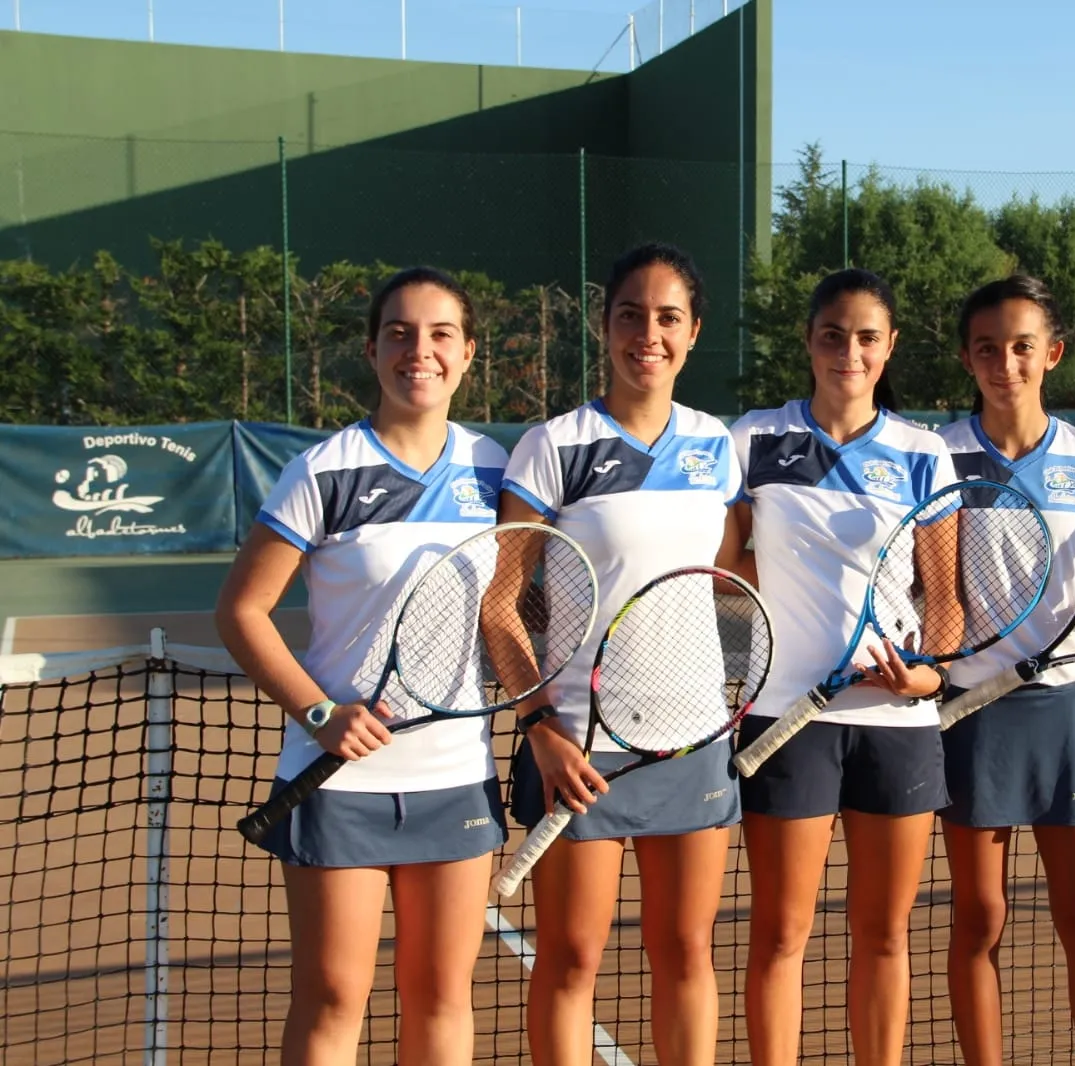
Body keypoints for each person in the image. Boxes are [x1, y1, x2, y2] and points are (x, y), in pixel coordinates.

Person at [215, 267, 508, 1066]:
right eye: (402, 334)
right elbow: (242, 611)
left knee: (442, 995)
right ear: (373, 349)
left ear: (468, 352)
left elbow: (506, 605)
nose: (422, 351)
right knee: (334, 997)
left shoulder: (494, 470)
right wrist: (320, 713)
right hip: (337, 781)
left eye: (442, 334)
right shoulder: (325, 470)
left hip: (455, 777)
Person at [498, 242, 745, 1066]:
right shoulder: (553, 446)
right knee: (569, 961)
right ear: (605, 328)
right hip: (578, 747)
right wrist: (541, 727)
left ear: (693, 331)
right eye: (631, 315)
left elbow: (732, 573)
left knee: (684, 955)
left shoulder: (717, 447)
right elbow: (500, 602)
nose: (649, 332)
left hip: (693, 740)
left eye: (668, 317)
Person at [730, 268, 955, 1066]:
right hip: (787, 719)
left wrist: (926, 676)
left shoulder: (924, 454)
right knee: (781, 934)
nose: (848, 352)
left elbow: (945, 597)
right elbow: (727, 569)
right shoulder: (755, 438)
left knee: (884, 934)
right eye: (832, 335)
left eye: (866, 338)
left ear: (888, 347)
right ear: (808, 341)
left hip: (896, 726)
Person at [937, 275, 1075, 1066]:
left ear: (1049, 354)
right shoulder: (937, 454)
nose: (1004, 363)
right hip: (972, 710)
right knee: (979, 920)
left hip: (1062, 709)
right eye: (987, 348)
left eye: (1021, 346)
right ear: (966, 358)